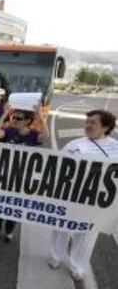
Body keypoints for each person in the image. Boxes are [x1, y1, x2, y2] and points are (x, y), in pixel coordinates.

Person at [48, 110, 118, 282]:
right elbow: (57, 165)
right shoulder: (74, 145)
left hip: (96, 200)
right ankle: (56, 256)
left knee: (86, 235)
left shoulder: (115, 147)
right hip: (70, 196)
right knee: (61, 226)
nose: (88, 125)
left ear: (106, 127)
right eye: (87, 122)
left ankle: (77, 266)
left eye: (93, 122)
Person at [0, 104, 49, 242]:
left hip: (21, 177)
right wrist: (5, 113)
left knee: (14, 205)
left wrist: (40, 115)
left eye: (19, 118)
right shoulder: (9, 131)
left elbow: (46, 137)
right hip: (3, 174)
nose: (15, 119)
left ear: (27, 121)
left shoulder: (33, 135)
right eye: (14, 117)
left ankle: (9, 231)